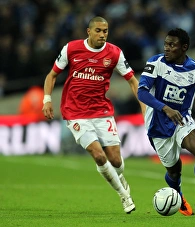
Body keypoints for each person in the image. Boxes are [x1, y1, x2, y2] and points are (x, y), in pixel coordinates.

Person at [42, 16, 145, 214]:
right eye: (98, 30)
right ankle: (124, 195)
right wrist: (47, 99)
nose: (102, 35)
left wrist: (143, 105)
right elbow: (52, 75)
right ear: (88, 32)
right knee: (98, 154)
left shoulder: (114, 53)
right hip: (75, 112)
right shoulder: (71, 49)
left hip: (101, 111)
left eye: (105, 31)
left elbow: (132, 80)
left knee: (116, 161)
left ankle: (120, 177)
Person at [138, 28, 195, 218]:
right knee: (174, 171)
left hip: (182, 118)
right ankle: (179, 198)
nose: (167, 48)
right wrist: (165, 108)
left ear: (184, 47)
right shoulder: (156, 63)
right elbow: (142, 92)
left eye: (172, 45)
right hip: (158, 123)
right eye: (166, 44)